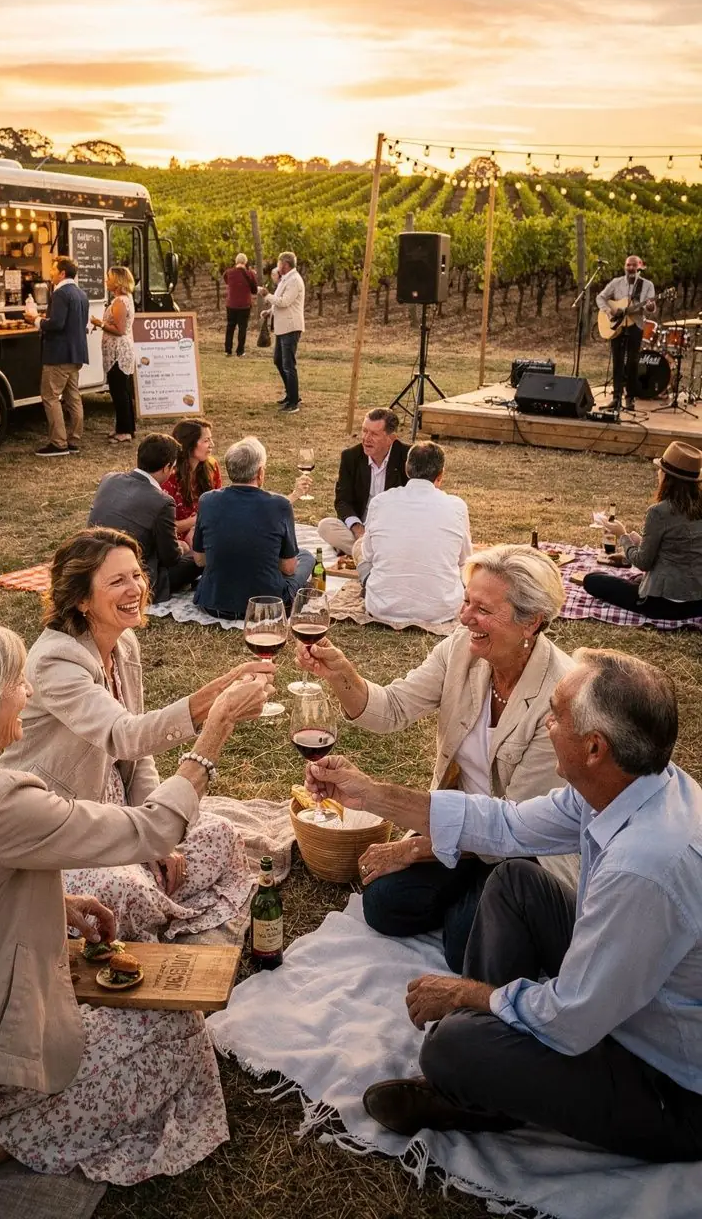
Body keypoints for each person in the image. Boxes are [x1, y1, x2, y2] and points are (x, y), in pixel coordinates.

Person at [0, 622, 270, 1209]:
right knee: (170, 1034)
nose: (29, 695)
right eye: (18, 684)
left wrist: (60, 905)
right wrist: (214, 731)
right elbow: (154, 829)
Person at [306, 650, 702, 1164]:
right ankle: (487, 1071)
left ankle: (480, 1085)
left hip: (670, 1085)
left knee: (449, 1048)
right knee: (516, 881)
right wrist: (371, 794)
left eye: (556, 714)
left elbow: (572, 1018)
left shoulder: (643, 867)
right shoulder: (637, 784)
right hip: (632, 1005)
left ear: (595, 748)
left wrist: (468, 995)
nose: (544, 721)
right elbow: (504, 825)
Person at [296, 545, 575, 970]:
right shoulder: (461, 649)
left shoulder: (559, 696)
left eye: (482, 609)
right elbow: (390, 709)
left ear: (531, 621)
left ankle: (480, 907)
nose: (464, 618)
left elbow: (515, 827)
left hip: (521, 850)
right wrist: (339, 672)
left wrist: (412, 851)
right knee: (383, 905)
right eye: (466, 601)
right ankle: (471, 901)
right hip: (460, 831)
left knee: (464, 947)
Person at [3, 528, 271, 943]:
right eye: (117, 581)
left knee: (220, 835)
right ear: (81, 599)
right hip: (66, 824)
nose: (136, 589)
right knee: (125, 890)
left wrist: (154, 832)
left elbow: (140, 754)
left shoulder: (123, 643)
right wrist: (213, 704)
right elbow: (125, 735)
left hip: (118, 811)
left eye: (137, 575)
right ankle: (152, 908)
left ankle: (156, 898)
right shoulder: (55, 660)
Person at [192, 436, 315, 619]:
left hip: (213, 602)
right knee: (305, 556)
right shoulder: (280, 505)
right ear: (260, 472)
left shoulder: (207, 500)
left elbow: (200, 560)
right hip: (266, 605)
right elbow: (288, 568)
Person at [358, 440, 472, 626]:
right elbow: (464, 560)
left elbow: (368, 555)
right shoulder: (457, 506)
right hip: (442, 610)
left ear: (406, 469)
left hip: (382, 607)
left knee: (359, 547)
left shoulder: (381, 502)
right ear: (440, 474)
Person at [584, 441, 702, 619]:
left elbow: (643, 563)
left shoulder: (659, 512)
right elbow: (683, 549)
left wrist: (622, 535)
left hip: (663, 603)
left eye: (660, 469)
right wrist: (641, 542)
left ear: (667, 477)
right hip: (697, 602)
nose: (658, 472)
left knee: (592, 580)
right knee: (636, 581)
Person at [87, 434, 199, 600]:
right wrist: (182, 547)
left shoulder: (109, 479)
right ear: (166, 467)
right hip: (137, 578)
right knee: (200, 557)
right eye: (173, 467)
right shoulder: (162, 501)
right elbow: (171, 558)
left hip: (94, 566)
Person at [317, 408, 410, 559]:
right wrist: (358, 529)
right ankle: (378, 556)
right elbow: (342, 501)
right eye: (364, 431)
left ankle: (363, 555)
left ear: (391, 438)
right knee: (326, 527)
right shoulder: (351, 456)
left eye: (374, 434)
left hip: (393, 529)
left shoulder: (407, 457)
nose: (366, 438)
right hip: (361, 530)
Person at [25, 257, 89, 458]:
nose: (50, 273)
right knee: (73, 397)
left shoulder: (61, 293)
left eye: (53, 269)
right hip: (76, 354)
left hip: (59, 354)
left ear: (62, 273)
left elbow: (57, 324)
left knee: (51, 397)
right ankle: (74, 439)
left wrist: (36, 320)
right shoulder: (81, 294)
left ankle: (58, 443)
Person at [596, 254, 656, 412]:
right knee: (617, 361)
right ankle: (616, 397)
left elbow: (651, 308)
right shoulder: (616, 283)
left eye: (634, 265)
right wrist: (609, 312)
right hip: (618, 327)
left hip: (635, 325)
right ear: (625, 266)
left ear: (640, 267)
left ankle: (630, 398)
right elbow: (600, 297)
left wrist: (650, 306)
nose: (631, 268)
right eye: (628, 265)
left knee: (632, 362)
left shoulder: (647, 285)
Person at [90, 264, 136, 442]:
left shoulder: (120, 302)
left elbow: (120, 329)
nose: (105, 281)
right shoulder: (126, 298)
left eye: (108, 278)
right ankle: (126, 427)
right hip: (119, 350)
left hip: (118, 352)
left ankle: (124, 431)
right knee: (122, 390)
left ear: (117, 281)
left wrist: (99, 323)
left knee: (119, 392)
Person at [259, 250, 305, 413]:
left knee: (288, 364)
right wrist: (269, 311)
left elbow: (285, 302)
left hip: (290, 327)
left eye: (279, 263)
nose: (277, 266)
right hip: (282, 327)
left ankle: (293, 402)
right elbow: (279, 303)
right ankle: (290, 394)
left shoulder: (294, 280)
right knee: (279, 361)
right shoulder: (286, 279)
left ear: (285, 264)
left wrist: (267, 295)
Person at [162, 419, 222, 540]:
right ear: (189, 444)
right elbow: (166, 527)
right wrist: (197, 520)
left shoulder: (212, 466)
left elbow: (218, 504)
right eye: (206, 440)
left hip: (206, 530)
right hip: (177, 540)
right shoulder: (169, 476)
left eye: (211, 439)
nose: (212, 444)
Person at [223, 252, 258, 357]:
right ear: (245, 262)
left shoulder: (228, 273)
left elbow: (227, 282)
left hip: (231, 304)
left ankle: (228, 350)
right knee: (242, 328)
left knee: (230, 327)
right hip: (244, 305)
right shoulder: (250, 274)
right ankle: (240, 351)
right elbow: (254, 290)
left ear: (236, 261)